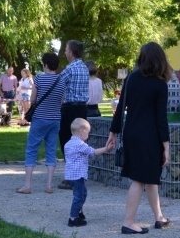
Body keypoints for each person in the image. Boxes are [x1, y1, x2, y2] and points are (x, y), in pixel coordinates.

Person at [106, 42, 171, 234]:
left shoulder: (131, 79)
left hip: (132, 132)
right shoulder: (160, 85)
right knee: (139, 180)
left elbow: (120, 109)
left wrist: (112, 133)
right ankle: (128, 222)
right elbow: (161, 119)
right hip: (150, 135)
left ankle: (159, 217)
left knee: (150, 177)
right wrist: (166, 146)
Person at [16, 52, 66, 195]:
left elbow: (32, 100)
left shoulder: (39, 79)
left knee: (32, 149)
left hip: (39, 119)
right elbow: (61, 101)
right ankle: (49, 185)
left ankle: (27, 185)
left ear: (46, 65)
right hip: (55, 119)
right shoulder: (61, 81)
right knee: (51, 151)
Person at [64, 118, 114, 227]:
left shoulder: (68, 143)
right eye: (88, 133)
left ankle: (79, 212)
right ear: (82, 132)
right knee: (79, 196)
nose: (88, 135)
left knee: (82, 193)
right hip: (77, 176)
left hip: (70, 175)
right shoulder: (80, 144)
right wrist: (107, 148)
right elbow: (93, 152)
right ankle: (73, 218)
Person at [57, 40, 89, 190]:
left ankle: (71, 177)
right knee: (80, 141)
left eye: (66, 50)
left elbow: (57, 84)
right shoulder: (84, 68)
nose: (64, 52)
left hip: (70, 108)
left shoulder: (70, 69)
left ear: (71, 52)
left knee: (67, 141)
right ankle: (80, 174)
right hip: (82, 109)